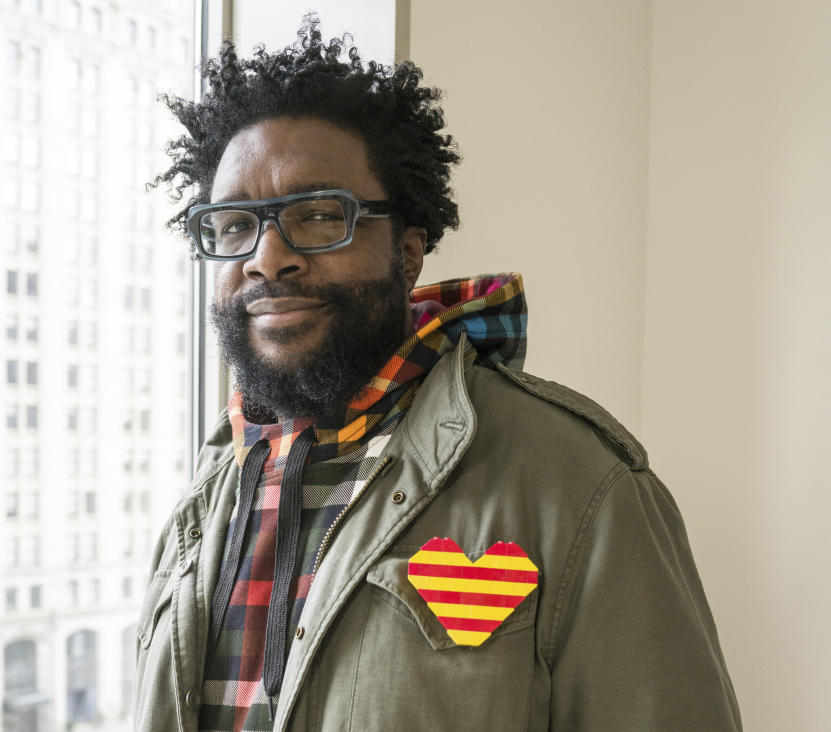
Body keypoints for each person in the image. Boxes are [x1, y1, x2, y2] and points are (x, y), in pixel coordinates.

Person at [134, 18, 741, 732]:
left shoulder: (579, 483)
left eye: (321, 215)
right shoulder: (204, 502)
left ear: (409, 251)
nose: (269, 258)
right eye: (235, 225)